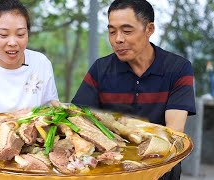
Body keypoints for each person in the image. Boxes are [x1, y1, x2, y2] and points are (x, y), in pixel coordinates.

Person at [71, 0, 196, 179]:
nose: (118, 39)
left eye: (127, 31)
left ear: (149, 29)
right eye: (112, 31)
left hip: (160, 167)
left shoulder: (178, 68)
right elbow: (78, 118)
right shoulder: (101, 69)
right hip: (110, 168)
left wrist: (153, 169)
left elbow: (174, 132)